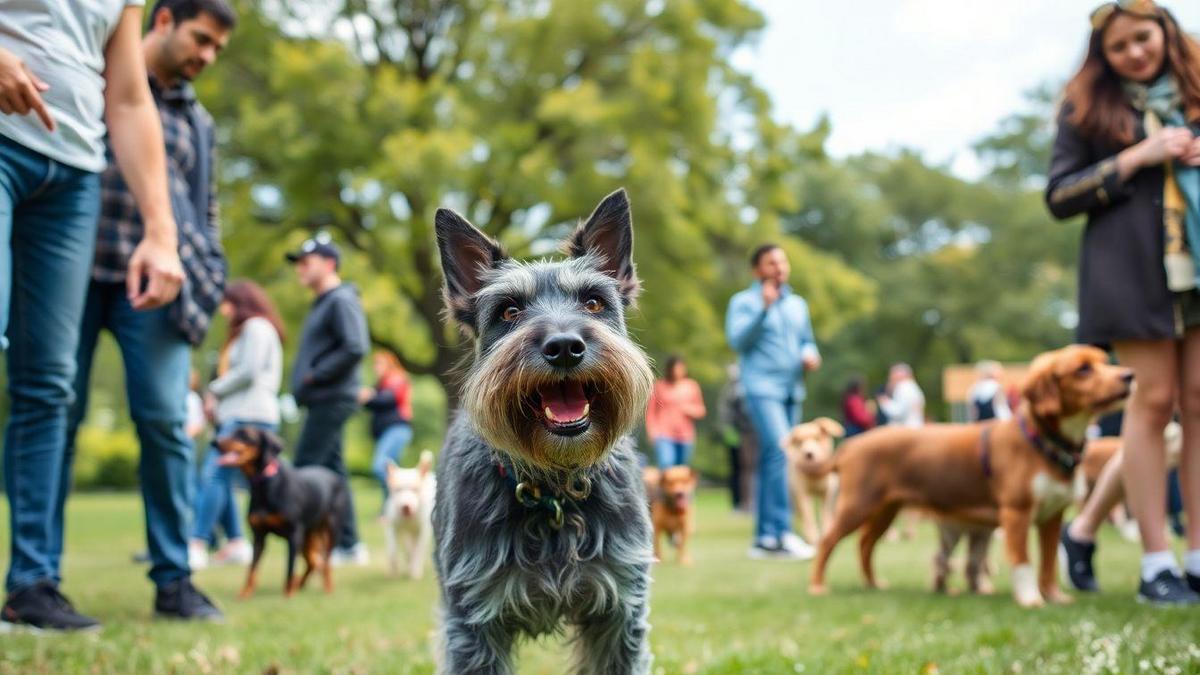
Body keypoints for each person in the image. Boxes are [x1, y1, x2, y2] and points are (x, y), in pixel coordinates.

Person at [0, 0, 199, 631]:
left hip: (73, 174)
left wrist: (161, 233)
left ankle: (32, 584)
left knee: (47, 386)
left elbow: (130, 98)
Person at [1047, 0, 1200, 604]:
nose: (1136, 52)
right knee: (1154, 403)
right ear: (1102, 56)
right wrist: (1139, 156)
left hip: (1197, 266)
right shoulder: (1086, 109)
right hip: (1132, 274)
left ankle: (1195, 556)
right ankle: (1155, 563)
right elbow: (1059, 195)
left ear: (1165, 31)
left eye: (1145, 38)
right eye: (1120, 46)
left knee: (1198, 403)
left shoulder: (1195, 94)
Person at [726, 244, 821, 560]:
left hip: (792, 390)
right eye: (771, 262)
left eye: (782, 261)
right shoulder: (744, 302)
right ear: (757, 270)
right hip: (761, 387)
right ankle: (781, 534)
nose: (779, 267)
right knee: (782, 452)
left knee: (773, 458)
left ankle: (765, 539)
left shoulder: (798, 304)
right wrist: (763, 310)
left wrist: (810, 354)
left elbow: (807, 340)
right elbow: (737, 341)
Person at [287, 233, 371, 566]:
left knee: (304, 468)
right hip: (321, 399)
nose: (300, 270)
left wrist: (314, 375)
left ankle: (306, 548)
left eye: (306, 262)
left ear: (329, 263)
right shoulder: (323, 303)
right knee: (332, 472)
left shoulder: (341, 299)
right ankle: (349, 545)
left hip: (332, 397)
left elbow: (355, 346)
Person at [189, 280, 284, 569]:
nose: (222, 311)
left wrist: (214, 390)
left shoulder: (256, 327)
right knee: (225, 480)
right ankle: (236, 542)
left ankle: (197, 542)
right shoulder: (253, 330)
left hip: (248, 415)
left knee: (215, 475)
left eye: (226, 303)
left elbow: (249, 371)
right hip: (243, 413)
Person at [359, 350, 414, 508]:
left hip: (397, 430)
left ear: (389, 364)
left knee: (380, 466)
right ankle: (390, 509)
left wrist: (369, 396)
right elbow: (372, 401)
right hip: (387, 432)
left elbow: (387, 399)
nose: (375, 367)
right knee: (390, 470)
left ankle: (401, 499)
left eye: (379, 363)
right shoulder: (381, 384)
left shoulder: (397, 378)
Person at [645, 355, 707, 468]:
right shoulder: (660, 386)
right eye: (675, 368)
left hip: (685, 435)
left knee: (682, 469)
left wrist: (688, 409)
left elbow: (701, 410)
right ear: (670, 369)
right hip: (664, 434)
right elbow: (651, 412)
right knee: (666, 466)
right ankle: (664, 485)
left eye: (681, 368)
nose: (678, 371)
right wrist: (652, 432)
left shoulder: (691, 386)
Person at [718, 364, 755, 511]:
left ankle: (749, 502)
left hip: (749, 432)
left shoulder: (747, 387)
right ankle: (742, 503)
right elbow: (726, 413)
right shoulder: (732, 391)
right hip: (738, 433)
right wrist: (730, 430)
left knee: (749, 469)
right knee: (741, 469)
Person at [878, 363, 925, 428]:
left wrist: (885, 403)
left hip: (905, 430)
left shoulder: (903, 387)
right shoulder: (913, 387)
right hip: (914, 428)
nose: (890, 377)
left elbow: (898, 412)